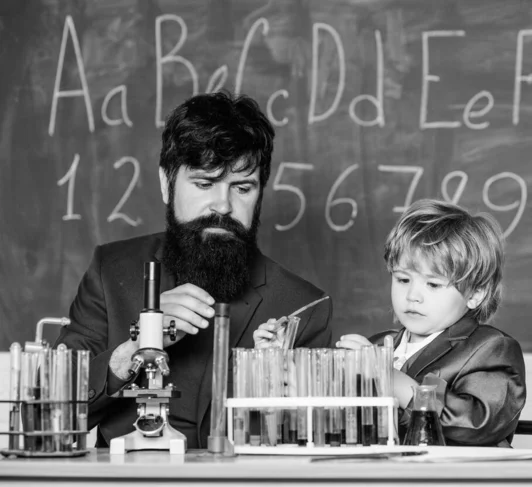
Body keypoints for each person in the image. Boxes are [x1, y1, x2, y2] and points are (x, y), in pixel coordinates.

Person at [55, 91, 332, 449]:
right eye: (204, 183)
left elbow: (311, 445)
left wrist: (286, 394)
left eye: (243, 187)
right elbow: (58, 408)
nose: (223, 204)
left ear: (260, 193)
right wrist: (138, 345)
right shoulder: (111, 272)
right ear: (165, 184)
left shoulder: (301, 307)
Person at [336, 199, 526, 447]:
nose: (413, 295)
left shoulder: (492, 348)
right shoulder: (378, 345)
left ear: (475, 294)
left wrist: (392, 379)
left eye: (433, 284)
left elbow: (478, 422)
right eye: (403, 279)